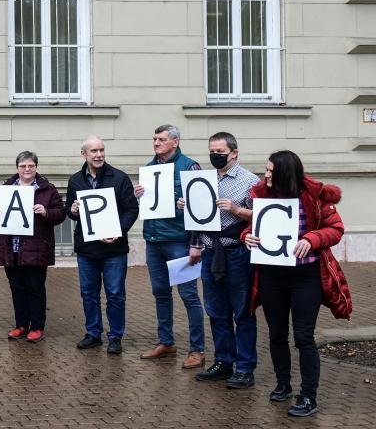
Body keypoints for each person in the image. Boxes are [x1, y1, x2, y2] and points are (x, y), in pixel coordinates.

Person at [243, 150, 352, 417]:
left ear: (285, 173)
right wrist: (247, 236)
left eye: (270, 170)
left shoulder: (315, 196)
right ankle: (283, 384)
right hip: (271, 276)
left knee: (304, 337)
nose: (265, 175)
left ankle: (308, 396)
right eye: (265, 170)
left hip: (306, 277)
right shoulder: (262, 194)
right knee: (277, 334)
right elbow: (252, 227)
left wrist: (312, 238)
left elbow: (336, 229)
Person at [186, 132, 260, 388]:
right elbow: (200, 218)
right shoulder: (203, 180)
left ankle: (245, 367)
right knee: (216, 312)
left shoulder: (250, 181)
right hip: (210, 253)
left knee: (242, 312)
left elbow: (263, 216)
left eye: (220, 152)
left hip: (238, 253)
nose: (215, 156)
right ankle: (223, 361)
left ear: (234, 153)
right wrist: (186, 205)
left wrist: (238, 210)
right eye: (212, 151)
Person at [134, 124, 206, 368]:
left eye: (161, 139)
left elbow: (201, 209)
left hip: (179, 241)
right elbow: (149, 204)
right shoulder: (151, 167)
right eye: (154, 139)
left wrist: (197, 244)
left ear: (175, 142)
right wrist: (139, 194)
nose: (156, 143)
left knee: (188, 295)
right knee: (160, 293)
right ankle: (166, 342)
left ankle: (197, 349)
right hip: (154, 240)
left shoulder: (189, 167)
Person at [65, 136, 139, 355]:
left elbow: (132, 210)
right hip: (87, 249)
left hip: (114, 249)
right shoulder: (75, 180)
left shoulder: (119, 178)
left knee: (115, 293)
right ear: (84, 154)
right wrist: (73, 210)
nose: (98, 155)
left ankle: (115, 336)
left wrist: (118, 230)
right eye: (94, 151)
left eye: (101, 150)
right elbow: (70, 211)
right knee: (88, 293)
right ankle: (93, 333)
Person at [0, 151, 65, 343]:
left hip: (36, 248)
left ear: (36, 167)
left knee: (35, 287)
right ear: (17, 168)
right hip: (11, 248)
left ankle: (37, 326)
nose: (27, 169)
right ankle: (21, 324)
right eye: (23, 166)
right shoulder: (7, 187)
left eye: (31, 166)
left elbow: (61, 213)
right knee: (16, 287)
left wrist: (46, 212)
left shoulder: (47, 189)